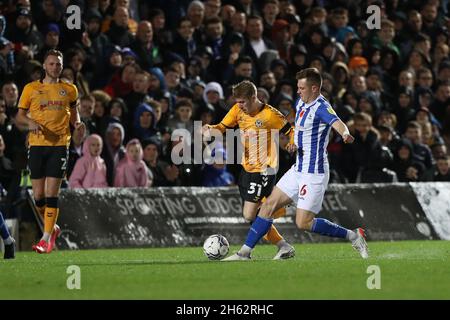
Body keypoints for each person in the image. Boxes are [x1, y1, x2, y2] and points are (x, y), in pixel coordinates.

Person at [224, 68, 369, 261]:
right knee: (267, 207)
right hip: (298, 168)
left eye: (302, 87)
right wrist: (292, 141)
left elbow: (337, 122)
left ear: (314, 88)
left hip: (314, 173)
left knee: (303, 222)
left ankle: (353, 235)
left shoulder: (321, 107)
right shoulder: (301, 101)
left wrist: (344, 133)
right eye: (298, 87)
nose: (298, 91)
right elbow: (296, 124)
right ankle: (244, 253)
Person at [202, 80, 296, 260]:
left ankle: (246, 252)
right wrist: (210, 129)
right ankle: (283, 245)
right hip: (247, 168)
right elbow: (222, 127)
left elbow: (290, 131)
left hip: (265, 169)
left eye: (243, 102)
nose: (240, 106)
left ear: (254, 97)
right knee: (254, 214)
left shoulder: (270, 114)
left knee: (249, 213)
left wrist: (292, 143)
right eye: (237, 102)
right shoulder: (238, 109)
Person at [16, 49, 85, 254]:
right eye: (52, 63)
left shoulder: (70, 89)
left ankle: (45, 239)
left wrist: (78, 124)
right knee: (38, 196)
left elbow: (74, 113)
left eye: (58, 64)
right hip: (37, 145)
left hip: (60, 145)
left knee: (51, 193)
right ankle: (52, 227)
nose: (55, 67)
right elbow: (19, 116)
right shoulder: (31, 89)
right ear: (45, 66)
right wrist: (30, 123)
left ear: (62, 67)